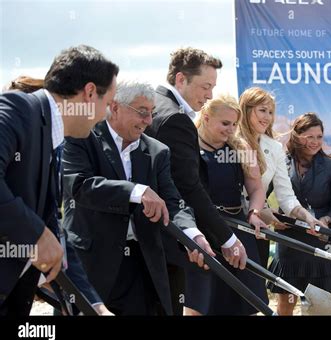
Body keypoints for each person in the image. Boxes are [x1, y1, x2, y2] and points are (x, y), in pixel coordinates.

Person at [62, 81, 213, 315]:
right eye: (142, 112)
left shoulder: (158, 151)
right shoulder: (81, 137)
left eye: (151, 114)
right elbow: (80, 186)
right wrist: (136, 191)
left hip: (142, 265)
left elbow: (172, 201)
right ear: (114, 107)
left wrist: (192, 235)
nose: (148, 121)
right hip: (92, 263)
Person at [0, 45, 118, 316]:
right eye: (108, 103)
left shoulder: (53, 141)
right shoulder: (17, 108)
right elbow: (42, 234)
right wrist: (35, 233)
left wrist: (95, 307)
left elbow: (53, 233)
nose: (107, 115)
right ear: (89, 93)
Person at [145, 47, 247, 315]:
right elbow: (188, 186)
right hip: (169, 234)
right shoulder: (176, 119)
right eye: (205, 86)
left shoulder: (155, 103)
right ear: (181, 79)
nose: (210, 95)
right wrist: (226, 238)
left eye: (213, 87)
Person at [184, 95, 268, 315]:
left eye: (234, 124)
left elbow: (257, 188)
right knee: (200, 301)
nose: (231, 129)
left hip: (238, 230)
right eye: (225, 123)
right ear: (206, 117)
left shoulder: (242, 149)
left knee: (246, 301)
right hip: (202, 230)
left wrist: (255, 212)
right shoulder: (187, 147)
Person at [268, 112, 331, 315]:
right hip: (289, 241)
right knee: (286, 304)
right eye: (309, 136)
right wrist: (272, 218)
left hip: (318, 242)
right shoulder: (280, 161)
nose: (315, 142)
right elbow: (259, 195)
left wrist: (325, 220)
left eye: (319, 137)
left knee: (319, 304)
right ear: (296, 136)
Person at [237, 87, 324, 268]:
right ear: (245, 109)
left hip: (258, 229)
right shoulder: (230, 141)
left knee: (256, 289)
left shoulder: (274, 147)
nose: (267, 117)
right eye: (262, 110)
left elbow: (286, 197)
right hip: (231, 224)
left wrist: (307, 217)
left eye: (270, 112)